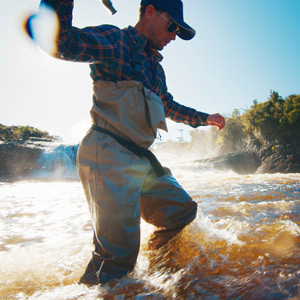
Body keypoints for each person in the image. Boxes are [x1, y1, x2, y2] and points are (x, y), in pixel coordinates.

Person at [26, 0, 225, 286]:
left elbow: (168, 105)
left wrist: (205, 118)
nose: (173, 37)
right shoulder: (115, 41)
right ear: (150, 11)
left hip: (139, 159)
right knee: (115, 259)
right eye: (173, 27)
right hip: (106, 153)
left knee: (181, 212)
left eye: (178, 32)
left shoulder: (157, 69)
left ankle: (157, 278)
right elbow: (61, 43)